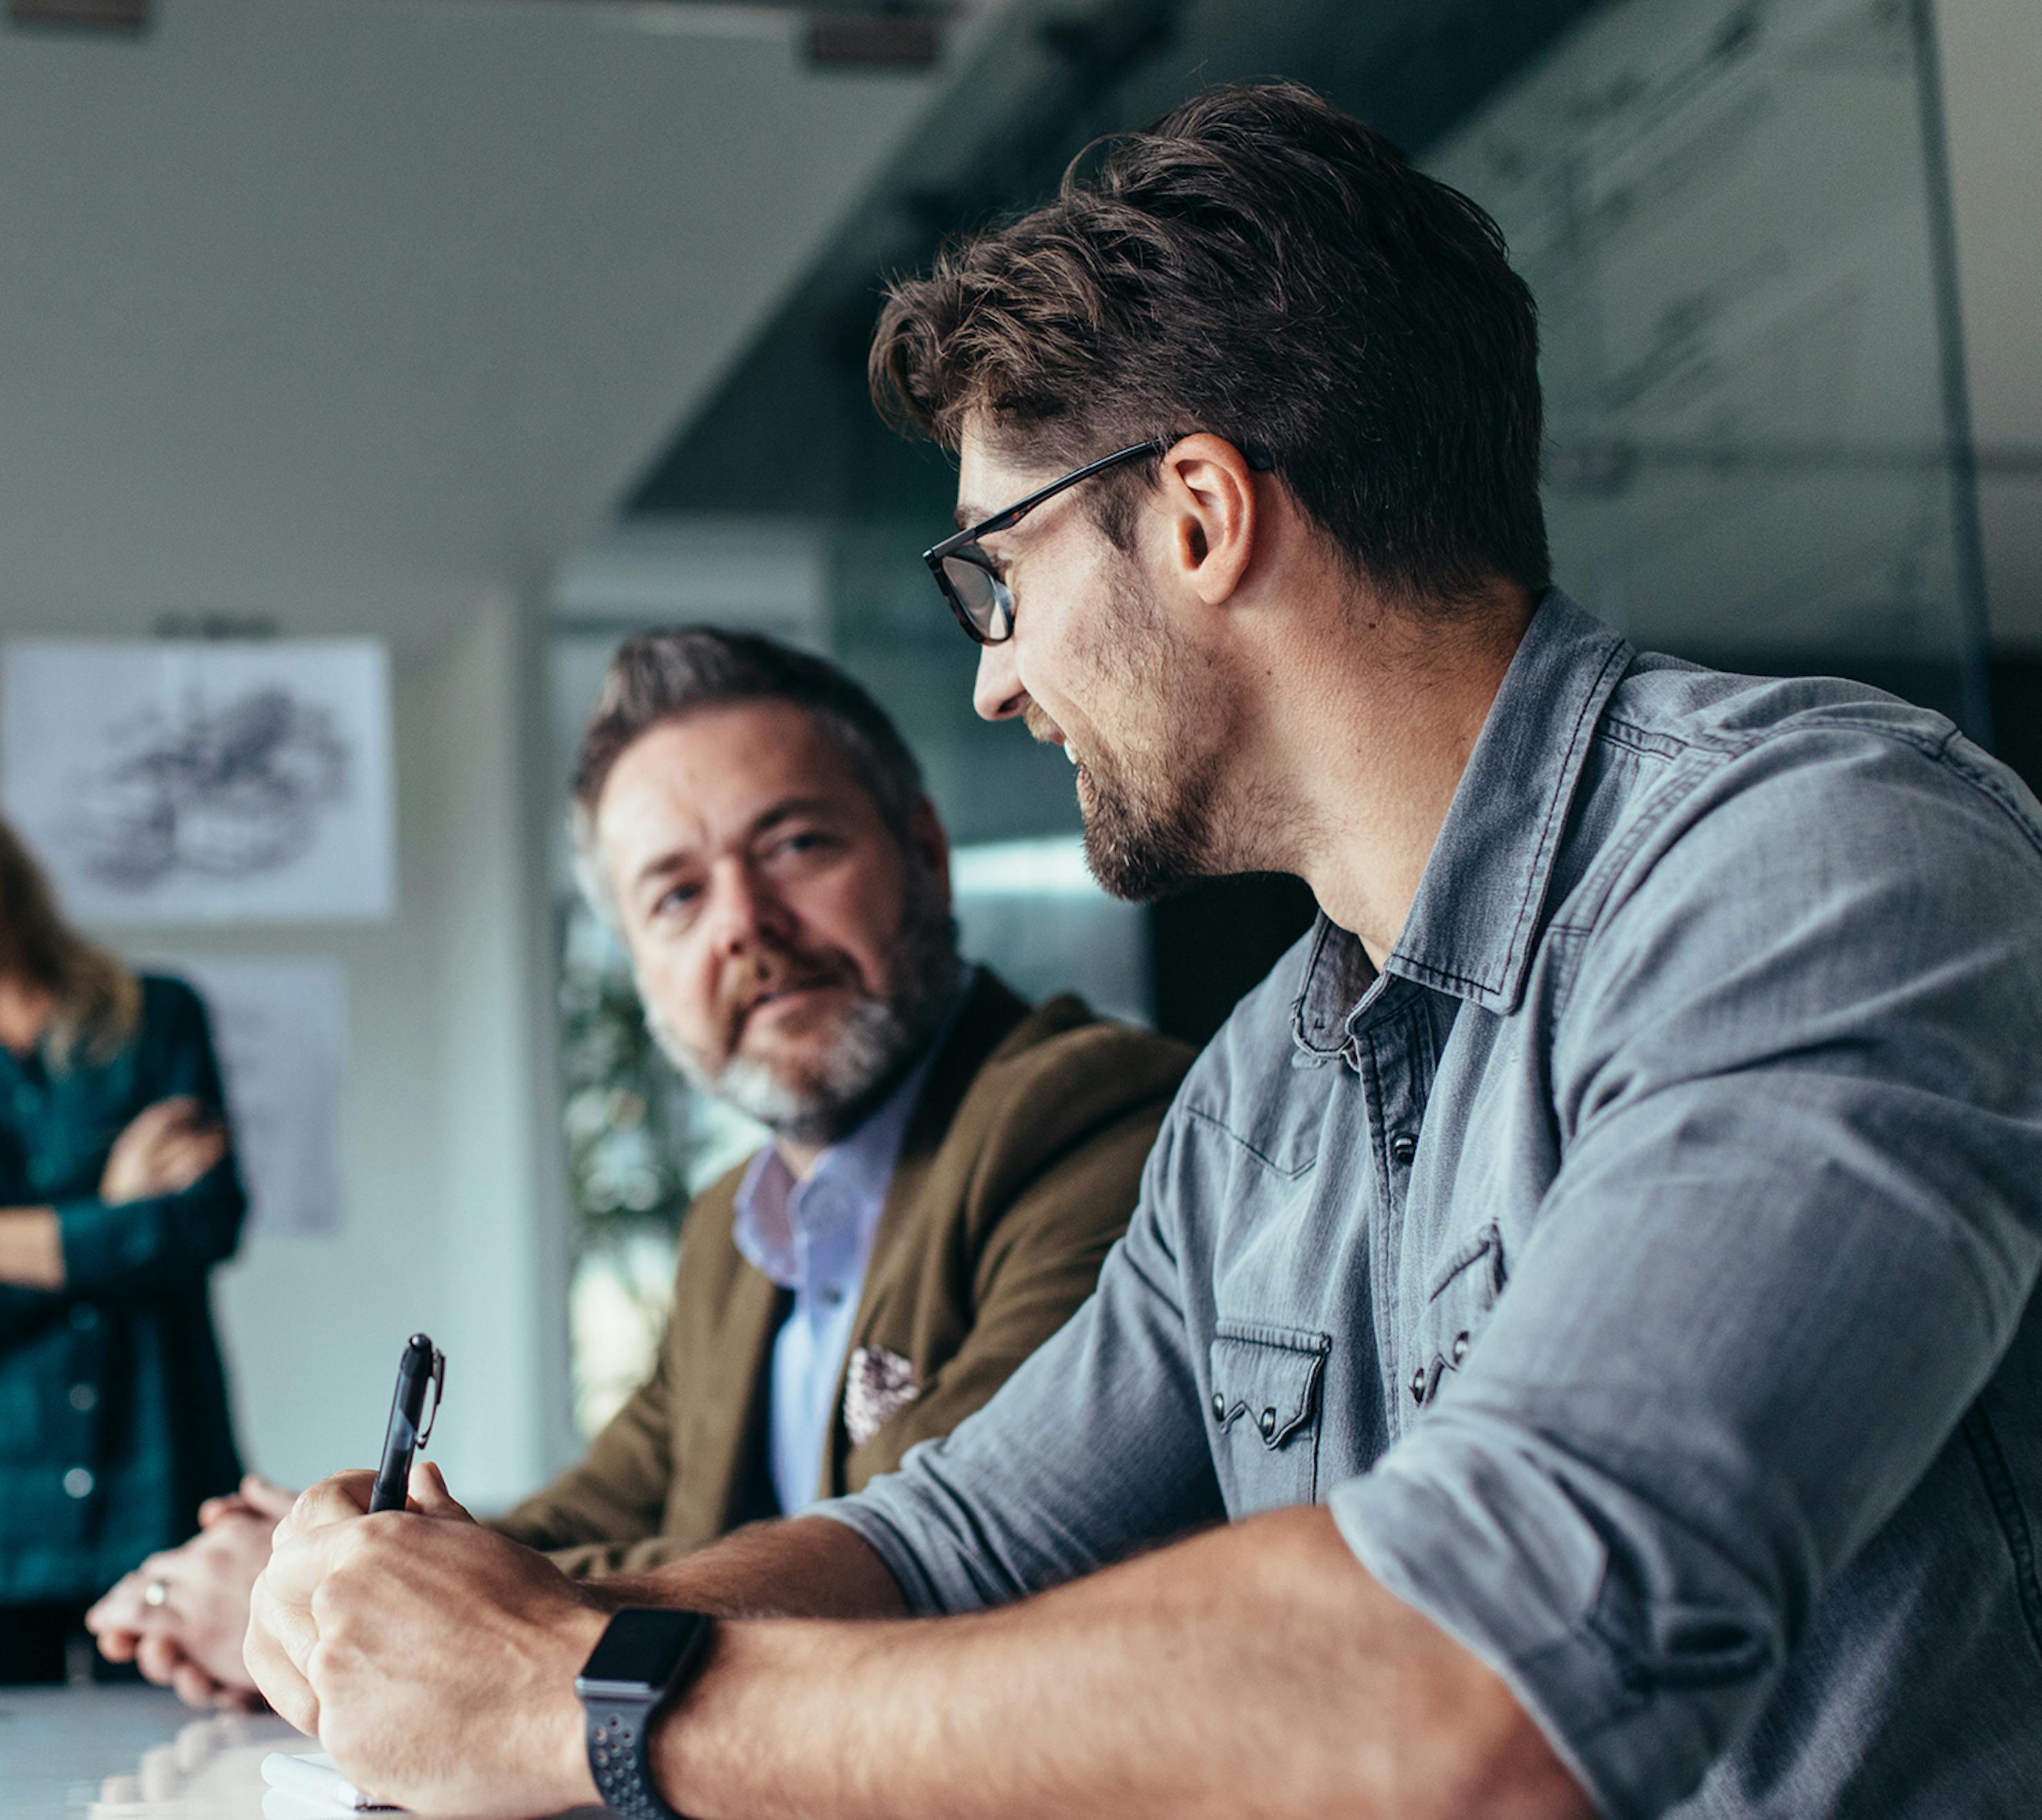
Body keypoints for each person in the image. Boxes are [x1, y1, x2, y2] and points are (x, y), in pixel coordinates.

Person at [241, 83, 2042, 1820]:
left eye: (998, 580)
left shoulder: (1817, 863)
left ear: (1198, 514)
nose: (992, 673)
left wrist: (595, 1699)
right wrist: (489, 1641)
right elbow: (955, 1542)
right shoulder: (1269, 1084)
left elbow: (1480, 1679)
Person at [90, 626, 1191, 1705]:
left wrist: (382, 1614)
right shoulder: (734, 1227)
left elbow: (929, 1547)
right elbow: (576, 1518)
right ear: (641, 965)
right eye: (676, 895)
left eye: (797, 844)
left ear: (926, 851)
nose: (746, 927)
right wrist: (327, 1571)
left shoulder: (1084, 1115)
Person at [0, 818, 245, 1685]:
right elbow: (152, 1231)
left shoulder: (159, 1016)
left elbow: (207, 1221)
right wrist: (113, 1206)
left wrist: (27, 1241)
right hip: (10, 1516)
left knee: (190, 1776)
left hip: (161, 1473)